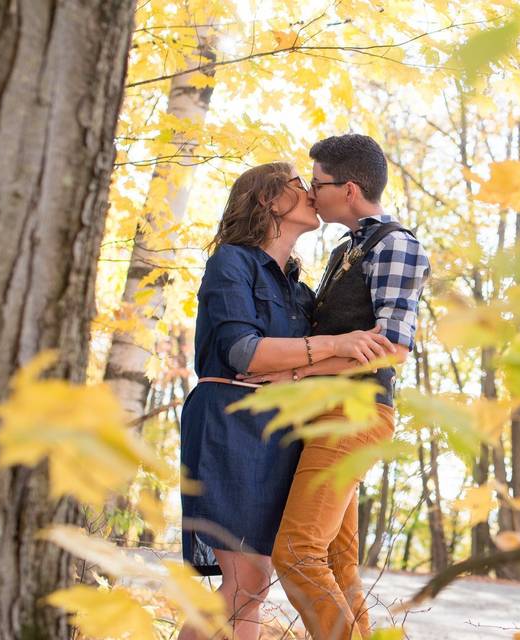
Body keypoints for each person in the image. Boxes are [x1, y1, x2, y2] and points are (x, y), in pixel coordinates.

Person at [178, 161, 396, 640]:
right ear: (267, 200)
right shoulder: (231, 262)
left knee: (254, 587)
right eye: (299, 185)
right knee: (246, 583)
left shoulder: (298, 288)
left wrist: (324, 362)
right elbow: (243, 352)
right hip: (230, 422)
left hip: (281, 429)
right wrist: (336, 346)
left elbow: (301, 363)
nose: (312, 192)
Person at [239, 134, 430, 639]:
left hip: (354, 411)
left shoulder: (396, 244)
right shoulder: (348, 249)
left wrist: (295, 373)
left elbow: (392, 346)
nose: (310, 193)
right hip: (324, 411)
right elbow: (342, 340)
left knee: (296, 552)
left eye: (317, 184)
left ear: (348, 189)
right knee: (339, 562)